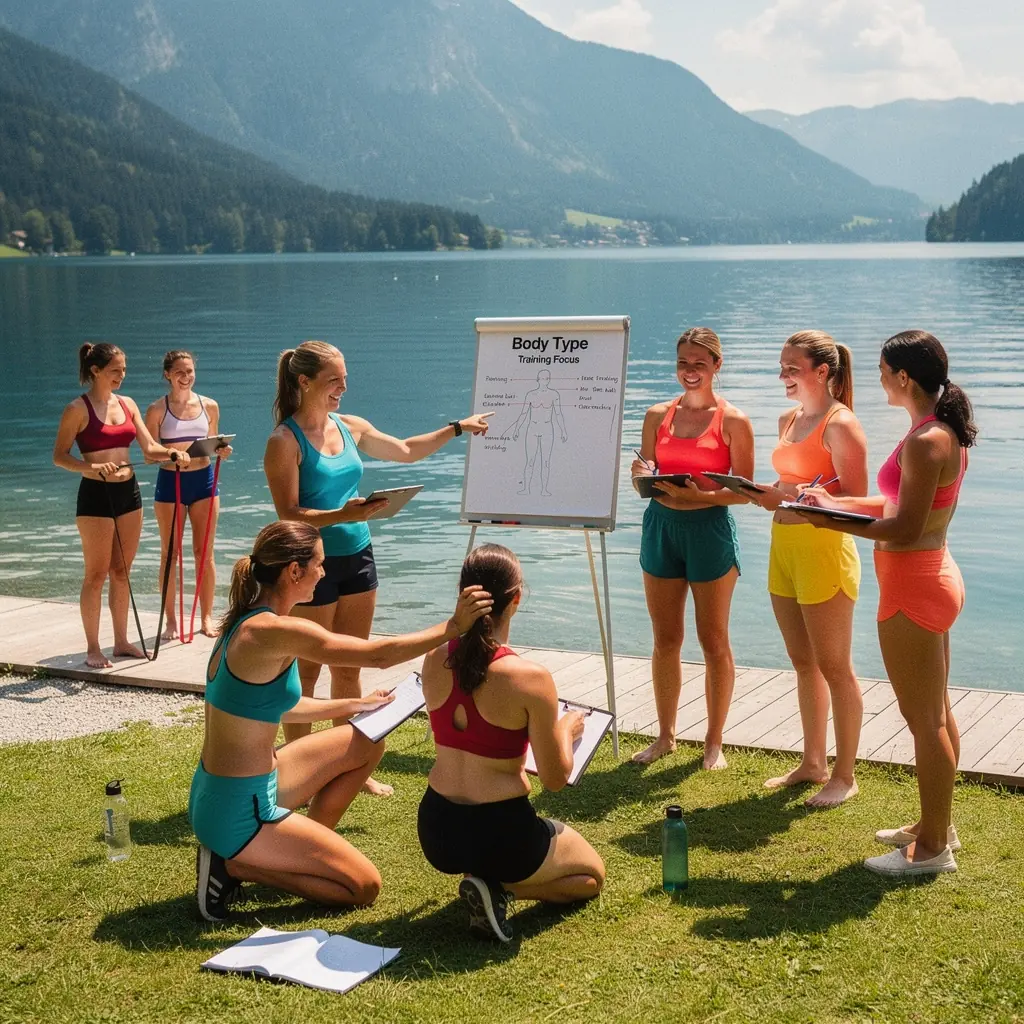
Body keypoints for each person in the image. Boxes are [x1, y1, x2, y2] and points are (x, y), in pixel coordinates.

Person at [189, 519, 493, 921]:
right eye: (319, 564)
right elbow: (377, 654)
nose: (324, 572)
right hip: (237, 809)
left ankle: (297, 848)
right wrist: (453, 627)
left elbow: (273, 707)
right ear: (293, 571)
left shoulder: (249, 622)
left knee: (367, 741)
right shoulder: (272, 632)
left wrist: (353, 705)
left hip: (239, 786)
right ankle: (233, 865)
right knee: (363, 886)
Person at [264, 340, 492, 796]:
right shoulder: (283, 441)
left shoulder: (349, 426)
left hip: (358, 557)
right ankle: (298, 773)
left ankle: (351, 766)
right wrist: (341, 515)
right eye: (334, 381)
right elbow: (287, 513)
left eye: (345, 379)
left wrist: (457, 428)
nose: (343, 388)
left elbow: (406, 449)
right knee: (307, 670)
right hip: (309, 565)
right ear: (303, 381)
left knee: (350, 666)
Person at [798, 331, 975, 875]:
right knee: (935, 713)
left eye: (881, 369)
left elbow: (904, 525)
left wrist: (825, 519)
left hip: (914, 587)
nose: (875, 378)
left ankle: (931, 851)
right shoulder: (932, 432)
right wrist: (836, 499)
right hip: (930, 576)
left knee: (923, 720)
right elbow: (896, 501)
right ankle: (934, 825)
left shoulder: (927, 441)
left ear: (903, 376)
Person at [417, 544, 605, 942]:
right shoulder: (529, 678)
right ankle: (501, 888)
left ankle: (481, 880)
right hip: (501, 833)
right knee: (590, 876)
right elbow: (555, 777)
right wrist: (567, 727)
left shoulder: (434, 659)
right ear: (515, 599)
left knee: (490, 852)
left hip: (438, 831)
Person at [748, 330, 868, 807]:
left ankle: (845, 774)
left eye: (791, 368)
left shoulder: (842, 425)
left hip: (824, 551)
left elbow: (858, 506)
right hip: (784, 545)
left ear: (823, 371)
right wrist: (766, 493)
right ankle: (813, 761)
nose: (783, 376)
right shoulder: (790, 417)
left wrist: (795, 498)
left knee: (835, 666)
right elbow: (790, 480)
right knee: (803, 662)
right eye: (782, 367)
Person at [630, 327, 755, 770]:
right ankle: (664, 737)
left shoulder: (734, 421)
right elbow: (645, 470)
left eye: (699, 364)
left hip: (710, 531)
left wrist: (695, 498)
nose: (689, 371)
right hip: (660, 527)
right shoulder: (656, 415)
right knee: (666, 639)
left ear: (716, 366)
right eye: (683, 362)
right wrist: (639, 473)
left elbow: (744, 492)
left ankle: (714, 742)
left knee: (713, 640)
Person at [53, 343, 191, 668]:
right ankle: (92, 648)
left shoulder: (127, 404)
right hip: (95, 496)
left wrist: (173, 454)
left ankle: (121, 641)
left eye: (124, 369)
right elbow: (59, 456)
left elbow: (149, 447)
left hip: (129, 493)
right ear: (96, 371)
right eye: (115, 370)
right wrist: (91, 468)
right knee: (96, 574)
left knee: (121, 571)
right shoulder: (78, 409)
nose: (121, 376)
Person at [144, 350, 233, 640]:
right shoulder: (157, 410)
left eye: (190, 371)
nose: (186, 377)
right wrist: (171, 454)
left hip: (204, 480)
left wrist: (223, 451)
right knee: (171, 554)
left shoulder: (210, 406)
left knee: (204, 554)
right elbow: (148, 454)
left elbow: (214, 442)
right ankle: (171, 620)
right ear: (167, 375)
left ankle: (206, 617)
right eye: (180, 372)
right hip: (171, 481)